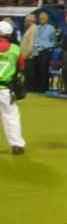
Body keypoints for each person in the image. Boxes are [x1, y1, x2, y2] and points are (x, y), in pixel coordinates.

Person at [0, 21, 26, 155]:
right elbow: (21, 67)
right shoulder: (15, 49)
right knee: (11, 117)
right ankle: (16, 144)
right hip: (6, 89)